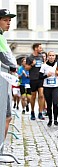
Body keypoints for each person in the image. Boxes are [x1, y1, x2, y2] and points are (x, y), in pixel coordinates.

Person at [0, 9, 17, 139]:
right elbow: (8, 60)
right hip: (2, 80)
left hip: (4, 80)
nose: (8, 23)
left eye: (9, 20)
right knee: (6, 116)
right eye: (5, 20)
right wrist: (14, 67)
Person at [39, 51, 58, 127]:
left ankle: (55, 120)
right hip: (47, 87)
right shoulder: (43, 66)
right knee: (49, 104)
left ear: (55, 57)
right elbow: (40, 77)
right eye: (50, 55)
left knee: (55, 103)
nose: (51, 57)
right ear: (48, 57)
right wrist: (46, 76)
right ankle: (50, 120)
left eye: (53, 55)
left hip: (56, 87)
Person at [25, 43, 45, 120]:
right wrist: (32, 64)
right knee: (33, 96)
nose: (41, 49)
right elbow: (26, 68)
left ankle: (40, 113)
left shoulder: (41, 57)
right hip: (33, 78)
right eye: (40, 48)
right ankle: (32, 112)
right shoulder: (30, 57)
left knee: (41, 95)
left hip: (41, 78)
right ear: (36, 48)